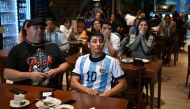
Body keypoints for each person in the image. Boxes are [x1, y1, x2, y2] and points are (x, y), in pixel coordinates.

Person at [4, 17, 68, 89]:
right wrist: (30, 75)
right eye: (36, 28)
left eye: (42, 28)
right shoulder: (17, 49)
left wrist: (57, 70)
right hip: (25, 92)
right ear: (27, 30)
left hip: (51, 92)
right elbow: (7, 74)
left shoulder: (53, 46)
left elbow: (64, 63)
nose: (39, 30)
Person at [71, 31, 127, 97]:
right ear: (88, 44)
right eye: (94, 41)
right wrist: (88, 91)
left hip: (103, 97)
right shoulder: (81, 59)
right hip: (83, 95)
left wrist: (106, 94)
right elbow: (73, 82)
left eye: (101, 41)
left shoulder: (112, 61)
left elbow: (123, 84)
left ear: (104, 44)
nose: (98, 44)